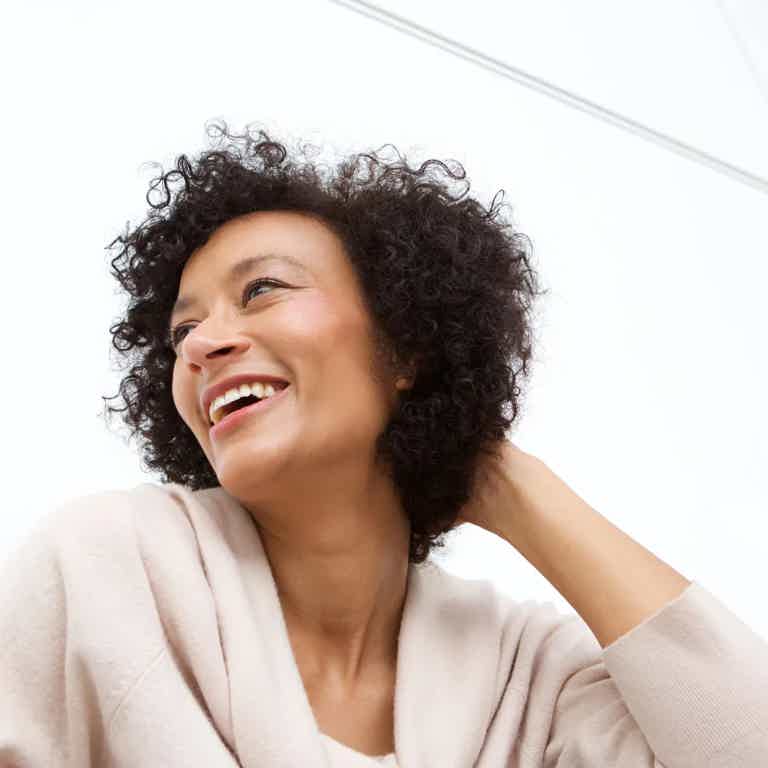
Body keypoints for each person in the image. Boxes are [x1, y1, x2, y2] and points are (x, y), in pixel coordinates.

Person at [1, 120, 766, 767]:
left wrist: (516, 489)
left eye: (262, 289)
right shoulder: (105, 568)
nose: (203, 345)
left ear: (406, 345)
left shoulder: (527, 678)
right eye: (183, 332)